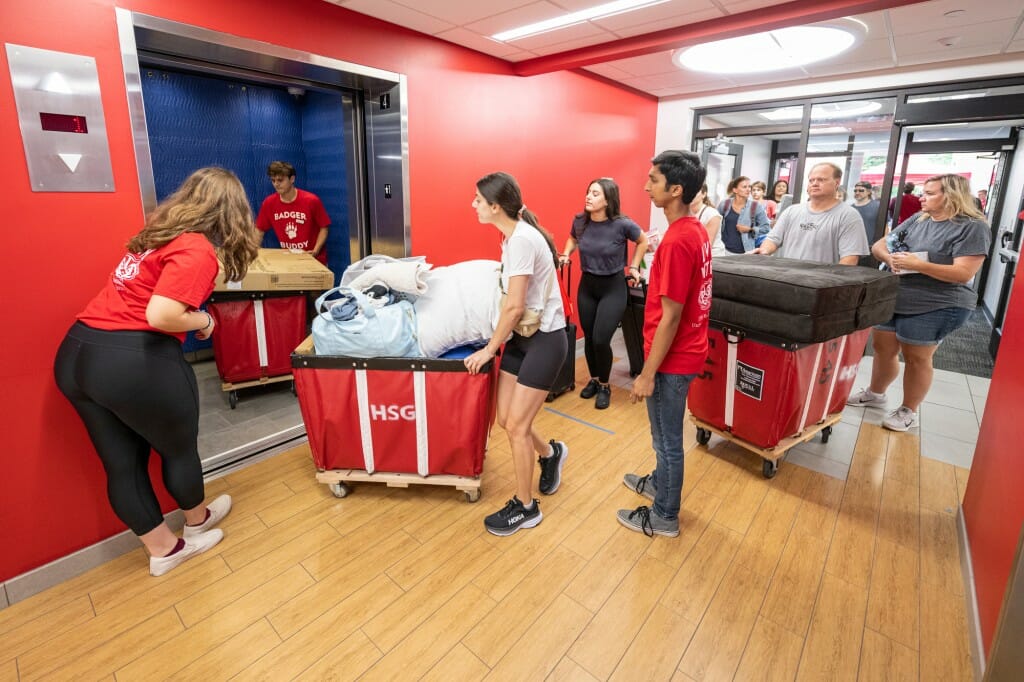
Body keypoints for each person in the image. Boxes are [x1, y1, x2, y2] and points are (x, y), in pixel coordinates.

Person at [53, 168, 260, 576]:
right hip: (132, 359)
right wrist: (203, 322)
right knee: (179, 449)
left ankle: (164, 549)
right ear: (231, 213)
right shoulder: (197, 249)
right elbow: (162, 314)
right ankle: (197, 522)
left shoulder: (156, 238)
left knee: (121, 463)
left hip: (78, 353)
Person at [465, 172, 569, 536]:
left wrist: (488, 350)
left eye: (478, 200)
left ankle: (526, 508)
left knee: (518, 428)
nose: (473, 205)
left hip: (545, 339)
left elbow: (514, 307)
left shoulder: (523, 240)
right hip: (524, 337)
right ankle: (551, 453)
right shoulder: (511, 238)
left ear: (496, 206)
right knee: (508, 420)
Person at [848, 174, 990, 431]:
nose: (922, 197)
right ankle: (875, 393)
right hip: (897, 295)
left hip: (938, 302)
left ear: (951, 196)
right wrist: (890, 260)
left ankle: (908, 411)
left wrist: (918, 265)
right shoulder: (919, 219)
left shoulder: (972, 227)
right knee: (883, 347)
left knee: (916, 357)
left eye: (930, 193)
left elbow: (963, 274)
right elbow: (880, 245)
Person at [618, 151, 712, 537]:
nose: (645, 186)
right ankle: (660, 483)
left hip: (673, 359)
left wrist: (646, 373)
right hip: (686, 351)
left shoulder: (676, 241)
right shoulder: (695, 230)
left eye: (653, 180)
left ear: (676, 190)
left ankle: (664, 516)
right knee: (665, 439)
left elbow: (671, 317)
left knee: (667, 440)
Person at [559, 178, 648, 409]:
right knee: (589, 338)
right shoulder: (580, 221)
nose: (588, 196)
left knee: (600, 339)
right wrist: (566, 253)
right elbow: (572, 238)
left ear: (608, 200)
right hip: (588, 286)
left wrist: (635, 267)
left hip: (613, 287)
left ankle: (606, 385)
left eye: (595, 194)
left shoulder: (622, 224)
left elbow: (642, 241)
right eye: (588, 192)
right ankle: (595, 380)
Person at [752, 162, 869, 264]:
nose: (814, 183)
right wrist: (764, 251)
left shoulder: (848, 216)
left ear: (837, 183)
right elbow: (772, 240)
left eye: (821, 180)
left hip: (821, 285)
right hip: (787, 280)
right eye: (811, 180)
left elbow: (849, 260)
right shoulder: (791, 211)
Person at [255, 161, 331, 265]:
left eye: (280, 180)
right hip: (289, 260)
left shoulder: (311, 201)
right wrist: (253, 253)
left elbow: (324, 227)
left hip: (314, 260)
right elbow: (259, 231)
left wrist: (316, 250)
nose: (276, 184)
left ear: (292, 179)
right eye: (273, 180)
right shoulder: (269, 203)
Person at [716, 176, 771, 254]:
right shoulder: (725, 204)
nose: (748, 189)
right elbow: (715, 224)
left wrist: (750, 229)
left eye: (749, 187)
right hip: (724, 250)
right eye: (744, 187)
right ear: (735, 190)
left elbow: (766, 228)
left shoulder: (756, 206)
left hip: (746, 252)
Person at [851, 180, 881, 244]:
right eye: (855, 190)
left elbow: (885, 228)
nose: (857, 193)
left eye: (861, 190)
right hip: (852, 246)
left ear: (869, 192)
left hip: (870, 246)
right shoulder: (850, 208)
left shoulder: (878, 206)